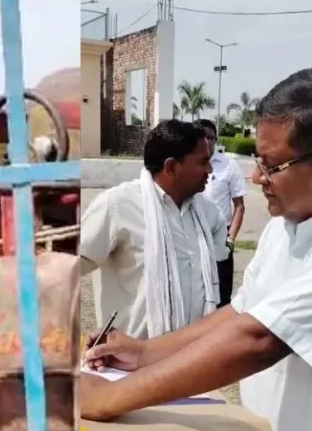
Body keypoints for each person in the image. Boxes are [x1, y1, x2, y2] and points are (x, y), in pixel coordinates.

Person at [81, 63, 312, 431]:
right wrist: (144, 353)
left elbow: (256, 339)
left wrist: (109, 399)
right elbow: (241, 312)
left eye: (271, 165)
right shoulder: (285, 228)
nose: (256, 178)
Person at [80, 119, 229, 339]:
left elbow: (219, 264)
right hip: (129, 354)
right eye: (203, 162)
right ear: (171, 167)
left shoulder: (208, 212)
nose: (210, 170)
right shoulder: (118, 205)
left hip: (194, 352)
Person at [199, 118, 248, 306]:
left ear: (216, 140)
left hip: (220, 236)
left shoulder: (229, 165)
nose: (207, 141)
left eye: (211, 137)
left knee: (222, 295)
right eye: (202, 137)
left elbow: (239, 206)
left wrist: (231, 239)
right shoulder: (187, 164)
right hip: (193, 234)